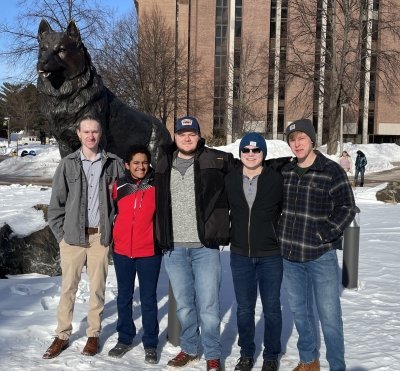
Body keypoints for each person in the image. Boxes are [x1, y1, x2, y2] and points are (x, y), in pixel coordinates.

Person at [155, 116, 234, 371]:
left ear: (199, 136)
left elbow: (251, 167)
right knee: (185, 305)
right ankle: (189, 347)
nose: (187, 138)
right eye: (182, 134)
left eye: (192, 133)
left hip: (205, 247)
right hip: (174, 248)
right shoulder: (163, 163)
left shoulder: (216, 160)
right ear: (175, 137)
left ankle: (212, 353)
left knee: (209, 305)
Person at [43, 116, 124, 359]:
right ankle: (62, 335)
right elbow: (55, 206)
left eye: (95, 132)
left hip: (100, 237)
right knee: (68, 288)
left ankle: (93, 334)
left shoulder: (114, 164)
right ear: (78, 134)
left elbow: (122, 202)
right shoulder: (68, 164)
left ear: (100, 134)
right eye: (86, 132)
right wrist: (61, 236)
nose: (91, 136)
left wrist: (113, 229)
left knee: (97, 288)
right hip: (72, 239)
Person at [279, 119, 357, 371]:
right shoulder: (287, 171)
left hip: (320, 256)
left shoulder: (330, 170)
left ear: (312, 139)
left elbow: (347, 207)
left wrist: (325, 233)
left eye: (301, 138)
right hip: (290, 256)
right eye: (292, 139)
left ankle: (337, 366)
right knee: (300, 313)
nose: (297, 143)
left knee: (330, 317)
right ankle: (308, 360)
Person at [225, 133, 283, 371]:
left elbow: (286, 211)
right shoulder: (229, 179)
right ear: (240, 154)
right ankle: (247, 353)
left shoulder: (276, 179)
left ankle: (271, 355)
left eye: (256, 150)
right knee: (245, 308)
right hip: (240, 254)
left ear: (263, 154)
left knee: (271, 307)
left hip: (270, 254)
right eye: (246, 151)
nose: (251, 154)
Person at [108, 145, 162, 364]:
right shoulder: (119, 185)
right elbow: (111, 211)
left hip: (149, 251)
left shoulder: (158, 184)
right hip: (122, 250)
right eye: (136, 163)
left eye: (144, 162)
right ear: (127, 165)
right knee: (124, 297)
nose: (140, 166)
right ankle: (125, 338)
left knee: (148, 299)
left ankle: (150, 343)